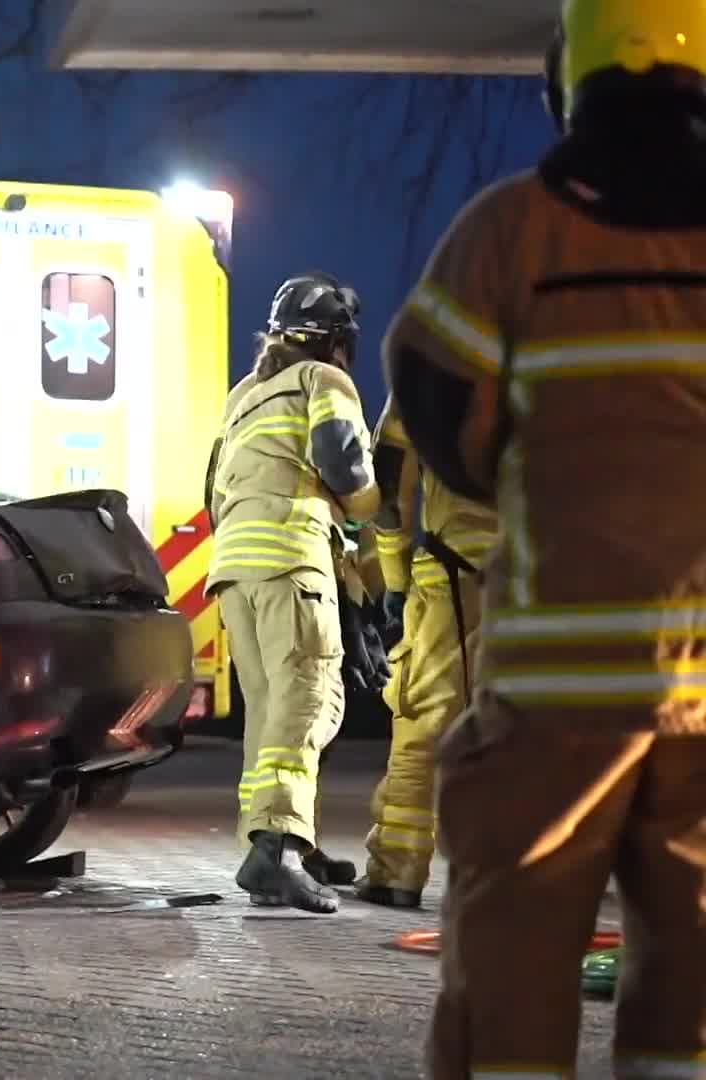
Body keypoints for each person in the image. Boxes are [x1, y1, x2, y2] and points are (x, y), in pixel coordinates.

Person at [384, 2, 706, 1074]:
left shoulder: (512, 231)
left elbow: (434, 393)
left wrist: (521, 480)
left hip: (554, 693)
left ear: (571, 70)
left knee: (512, 957)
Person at [204, 271, 379, 914]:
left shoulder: (244, 396)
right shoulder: (322, 381)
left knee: (270, 715)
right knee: (308, 702)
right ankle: (277, 850)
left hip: (235, 570)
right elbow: (345, 468)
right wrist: (369, 506)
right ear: (337, 342)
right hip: (289, 558)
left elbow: (214, 490)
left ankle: (286, 844)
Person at [353, 396, 497, 910]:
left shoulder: (437, 358)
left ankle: (397, 870)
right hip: (548, 583)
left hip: (457, 576)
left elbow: (390, 483)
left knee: (423, 724)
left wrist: (394, 574)